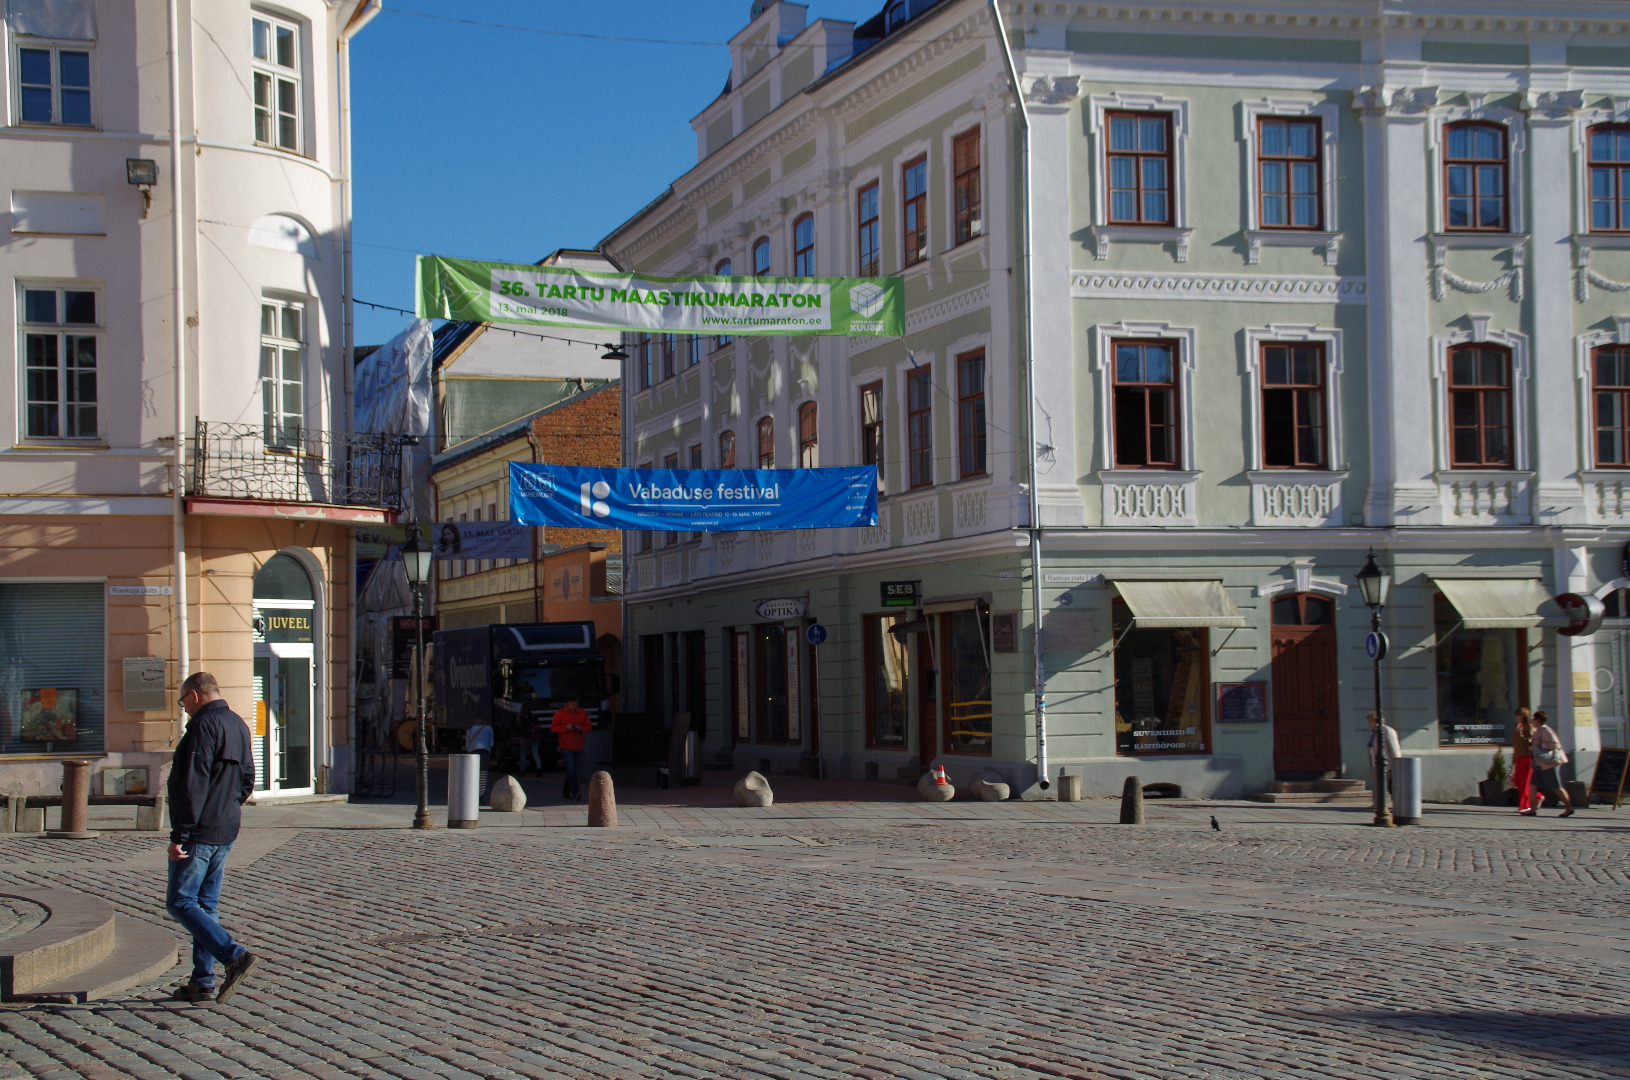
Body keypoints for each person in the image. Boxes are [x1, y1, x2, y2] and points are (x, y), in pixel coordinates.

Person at [167, 672, 260, 1005]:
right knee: (206, 906)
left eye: (183, 701)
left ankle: (233, 955)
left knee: (180, 901)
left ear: (194, 696)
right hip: (225, 827)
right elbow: (248, 777)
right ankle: (202, 981)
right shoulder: (237, 724)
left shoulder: (203, 727)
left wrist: (180, 834)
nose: (184, 708)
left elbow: (193, 784)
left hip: (200, 830)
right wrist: (229, 808)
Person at [1526, 710, 1574, 818]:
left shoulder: (1546, 730)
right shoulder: (1538, 730)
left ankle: (1568, 807)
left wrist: (1541, 743)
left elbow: (1554, 744)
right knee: (1532, 785)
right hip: (1538, 763)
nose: (1532, 721)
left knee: (1556, 787)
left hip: (1549, 763)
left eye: (1533, 719)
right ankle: (1532, 809)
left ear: (1538, 720)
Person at [551, 696, 591, 802]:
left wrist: (581, 728)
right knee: (571, 769)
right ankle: (576, 792)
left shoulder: (582, 713)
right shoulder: (560, 713)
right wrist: (565, 728)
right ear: (568, 703)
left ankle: (565, 793)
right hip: (566, 746)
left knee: (572, 771)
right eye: (572, 704)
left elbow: (589, 727)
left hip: (578, 746)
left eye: (575, 704)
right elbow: (553, 728)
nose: (574, 706)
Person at [1511, 707, 1536, 814]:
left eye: (1519, 714)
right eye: (1516, 714)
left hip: (1527, 756)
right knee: (1518, 781)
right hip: (1519, 756)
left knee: (1525, 782)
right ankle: (1538, 797)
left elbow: (1531, 742)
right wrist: (1514, 758)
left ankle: (1524, 805)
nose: (1517, 717)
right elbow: (1515, 743)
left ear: (1524, 716)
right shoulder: (1517, 726)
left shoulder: (1528, 726)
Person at [466, 717, 494, 804]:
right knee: (483, 775)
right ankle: (480, 797)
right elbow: (491, 743)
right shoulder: (489, 729)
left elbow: (467, 745)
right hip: (484, 753)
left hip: (473, 753)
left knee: (473, 776)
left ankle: (472, 795)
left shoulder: (470, 729)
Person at [1366, 711, 1401, 777]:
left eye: (1370, 721)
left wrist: (1397, 764)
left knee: (1388, 784)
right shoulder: (1373, 733)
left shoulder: (1387, 730)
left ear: (1376, 720)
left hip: (1388, 766)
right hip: (1376, 765)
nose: (1369, 723)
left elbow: (1394, 748)